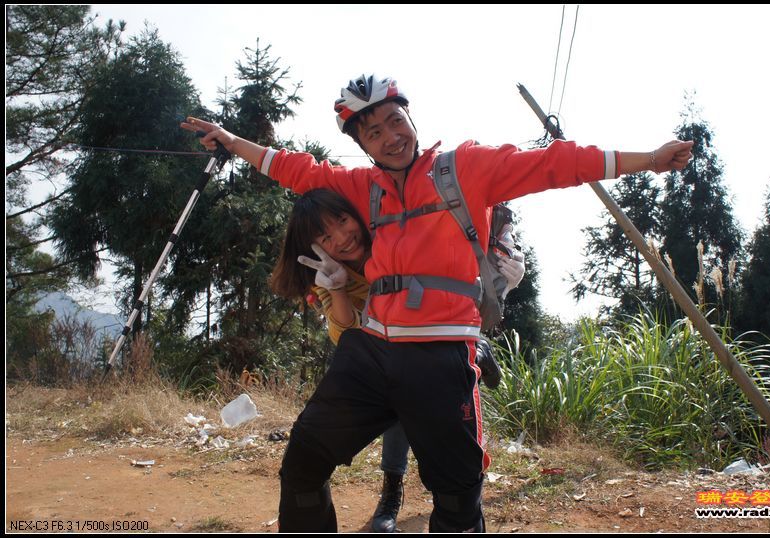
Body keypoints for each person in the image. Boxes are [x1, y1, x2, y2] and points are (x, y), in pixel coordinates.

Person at [182, 74, 693, 532]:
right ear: (362, 143)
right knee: (301, 467)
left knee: (456, 500)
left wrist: (646, 159)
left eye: (394, 121)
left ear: (410, 117)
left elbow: (554, 164)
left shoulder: (465, 169)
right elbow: (296, 169)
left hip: (442, 353)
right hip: (371, 352)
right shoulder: (363, 188)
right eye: (373, 133)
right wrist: (230, 141)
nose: (389, 137)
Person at [269, 188, 524, 532]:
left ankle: (477, 352)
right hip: (377, 352)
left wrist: (504, 285)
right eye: (326, 236)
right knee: (304, 464)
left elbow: (466, 287)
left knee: (456, 487)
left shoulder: (393, 237)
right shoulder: (327, 271)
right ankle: (391, 489)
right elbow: (346, 337)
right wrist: (339, 288)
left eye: (343, 221)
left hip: (441, 344)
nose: (343, 238)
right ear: (314, 247)